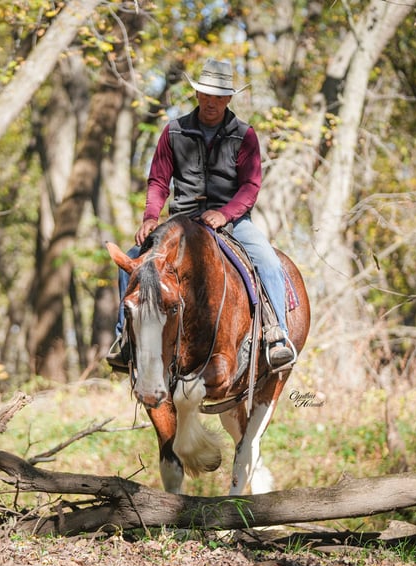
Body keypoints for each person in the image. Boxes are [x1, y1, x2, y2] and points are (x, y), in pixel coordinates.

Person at [107, 58, 296, 370]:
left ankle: (277, 336)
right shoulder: (174, 131)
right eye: (206, 95)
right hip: (181, 221)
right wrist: (151, 218)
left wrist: (225, 214)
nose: (212, 102)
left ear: (229, 98)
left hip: (232, 223)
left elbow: (250, 185)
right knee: (129, 262)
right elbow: (157, 181)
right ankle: (124, 338)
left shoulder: (244, 135)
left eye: (219, 96)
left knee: (268, 261)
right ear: (197, 95)